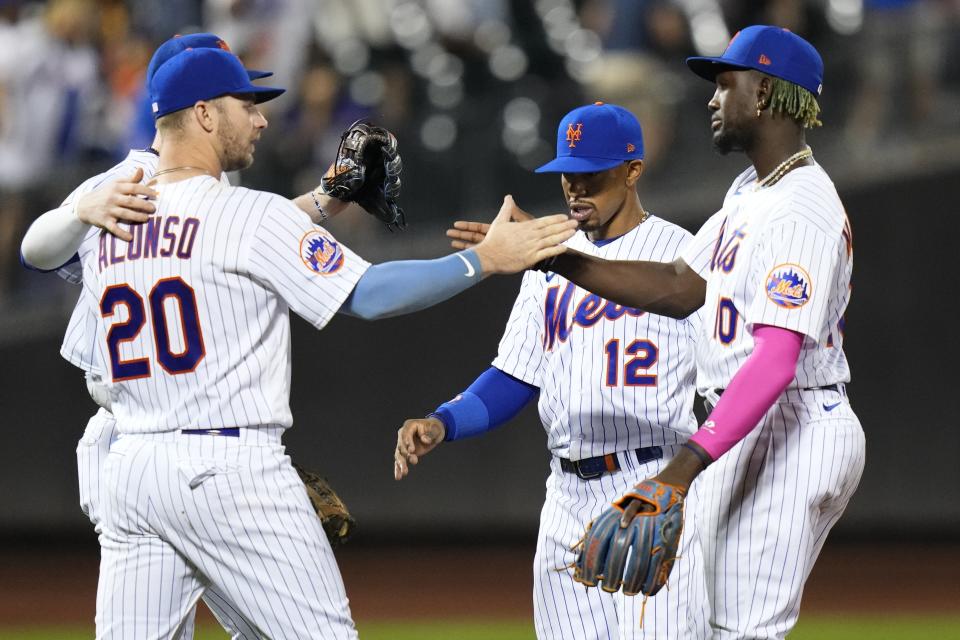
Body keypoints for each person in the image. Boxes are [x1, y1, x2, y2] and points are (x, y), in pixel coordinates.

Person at [79, 46, 574, 639]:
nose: (261, 119)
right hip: (227, 469)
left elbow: (207, 246)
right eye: (247, 104)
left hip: (131, 470)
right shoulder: (248, 214)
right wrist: (483, 259)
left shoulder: (112, 220)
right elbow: (369, 293)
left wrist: (325, 197)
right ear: (206, 115)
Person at [454, 26, 864, 639]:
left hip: (796, 419)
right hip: (749, 423)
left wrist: (681, 468)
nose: (711, 98)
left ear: (767, 94)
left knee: (742, 631)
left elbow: (777, 360)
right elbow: (678, 286)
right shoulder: (750, 193)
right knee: (708, 624)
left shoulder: (801, 205)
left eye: (726, 84)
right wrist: (557, 258)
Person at [19, 33, 364, 639]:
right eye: (236, 94)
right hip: (144, 430)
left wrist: (325, 197)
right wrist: (80, 210)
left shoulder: (200, 185)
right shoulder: (136, 174)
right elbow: (33, 248)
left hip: (154, 441)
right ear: (193, 107)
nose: (253, 112)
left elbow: (240, 235)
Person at [394, 102, 710, 639]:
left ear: (633, 170)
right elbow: (516, 374)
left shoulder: (683, 254)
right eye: (568, 174)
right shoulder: (545, 261)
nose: (575, 188)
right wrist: (443, 421)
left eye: (592, 175)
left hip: (651, 480)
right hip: (565, 496)